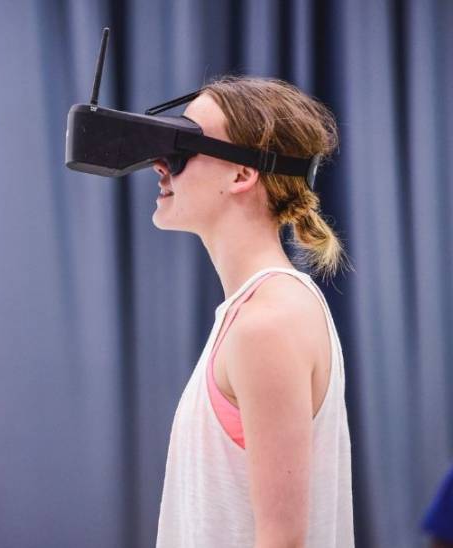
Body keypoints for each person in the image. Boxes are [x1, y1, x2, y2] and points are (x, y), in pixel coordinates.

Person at [152, 76, 353, 547]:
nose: (161, 164)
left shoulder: (269, 323)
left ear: (242, 175)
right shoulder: (253, 313)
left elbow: (281, 542)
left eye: (183, 145)